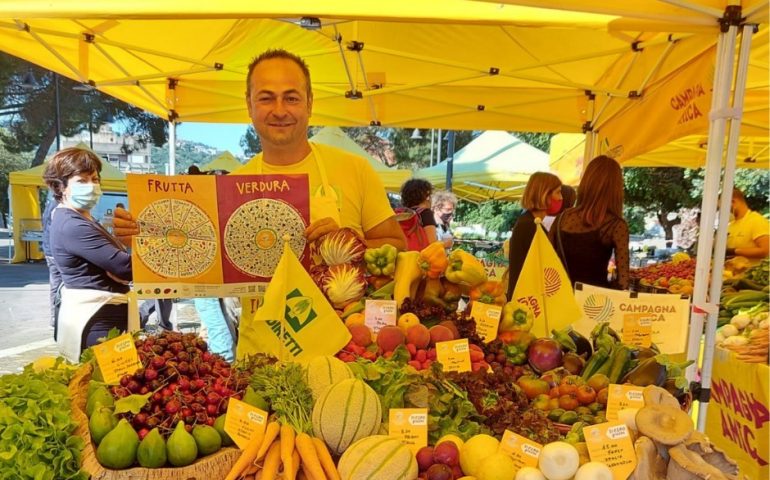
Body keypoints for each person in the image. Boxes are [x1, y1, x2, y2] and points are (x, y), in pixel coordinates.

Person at [43, 147, 132, 361]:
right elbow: (125, 268)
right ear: (60, 186)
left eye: (95, 179)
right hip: (98, 320)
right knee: (105, 386)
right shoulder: (72, 225)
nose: (91, 186)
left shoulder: (84, 219)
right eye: (81, 181)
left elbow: (120, 265)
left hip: (106, 315)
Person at [549, 155, 629, 290]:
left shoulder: (563, 218)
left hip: (559, 299)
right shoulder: (615, 225)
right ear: (615, 189)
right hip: (594, 304)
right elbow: (623, 281)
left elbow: (546, 259)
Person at [505, 172, 563, 299]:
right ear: (544, 194)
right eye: (558, 192)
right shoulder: (529, 225)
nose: (561, 198)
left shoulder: (531, 222)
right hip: (527, 300)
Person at [726, 188, 769, 265]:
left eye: (725, 208)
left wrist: (734, 251)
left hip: (751, 275)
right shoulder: (730, 224)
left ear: (733, 202)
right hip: (731, 274)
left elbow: (765, 251)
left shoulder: (756, 221)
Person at [41, 194, 62, 332]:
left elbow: (45, 223)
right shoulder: (59, 206)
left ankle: (55, 319)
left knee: (55, 286)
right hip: (55, 252)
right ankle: (56, 319)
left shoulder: (51, 204)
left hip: (50, 250)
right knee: (60, 286)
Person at [400, 178, 438, 244]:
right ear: (426, 196)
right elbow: (432, 243)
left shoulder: (402, 213)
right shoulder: (426, 213)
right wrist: (446, 244)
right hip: (419, 253)